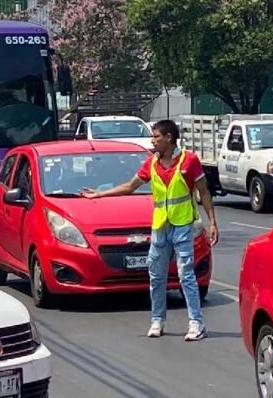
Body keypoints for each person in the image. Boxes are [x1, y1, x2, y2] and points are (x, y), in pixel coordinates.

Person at [80, 119, 219, 341]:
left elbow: (204, 192)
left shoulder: (189, 160)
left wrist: (212, 222)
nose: (152, 141)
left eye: (156, 137)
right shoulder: (151, 163)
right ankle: (157, 320)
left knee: (186, 275)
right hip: (160, 227)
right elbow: (130, 186)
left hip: (183, 225)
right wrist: (99, 194)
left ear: (169, 138)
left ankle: (196, 323)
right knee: (156, 276)